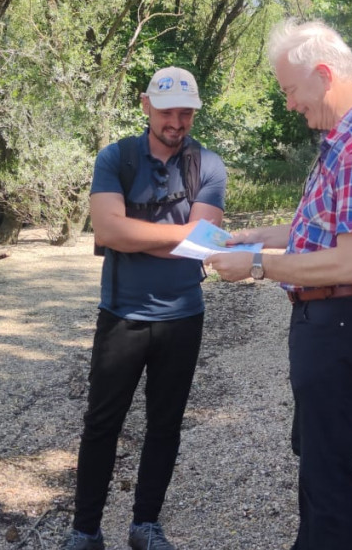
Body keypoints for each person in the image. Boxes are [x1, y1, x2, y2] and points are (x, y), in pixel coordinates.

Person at [206, 19, 352, 550]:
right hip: (329, 319)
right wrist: (251, 237)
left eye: (290, 91)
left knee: (329, 469)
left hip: (342, 318)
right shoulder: (342, 140)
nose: (290, 104)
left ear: (323, 75)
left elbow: (347, 262)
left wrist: (256, 265)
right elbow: (317, 230)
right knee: (317, 458)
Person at [63, 66, 227, 550]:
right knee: (101, 424)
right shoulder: (116, 157)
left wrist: (138, 235)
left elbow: (204, 245)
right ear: (145, 106)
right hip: (122, 314)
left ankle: (145, 525)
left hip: (183, 315)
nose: (177, 122)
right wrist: (183, 237)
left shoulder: (209, 165)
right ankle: (85, 530)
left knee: (166, 423)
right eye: (168, 111)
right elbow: (109, 232)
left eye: (186, 113)